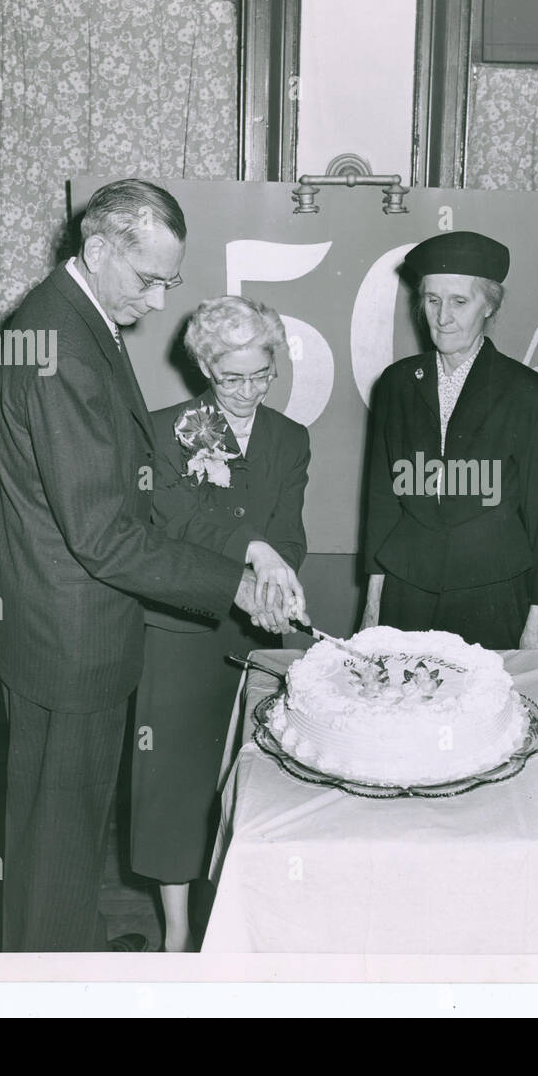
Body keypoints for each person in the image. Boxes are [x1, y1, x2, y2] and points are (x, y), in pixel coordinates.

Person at [0, 179, 306, 952]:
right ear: (98, 251)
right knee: (57, 852)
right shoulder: (61, 346)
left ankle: (65, 956)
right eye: (149, 279)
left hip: (60, 631)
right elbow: (104, 536)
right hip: (73, 642)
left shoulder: (70, 322)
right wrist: (235, 580)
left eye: (170, 281)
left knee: (54, 847)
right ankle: (52, 986)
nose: (160, 301)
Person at [131, 296, 308, 952]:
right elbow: (179, 522)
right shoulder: (166, 429)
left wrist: (277, 577)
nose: (247, 391)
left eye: (261, 374)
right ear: (205, 366)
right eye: (230, 377)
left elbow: (290, 533)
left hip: (258, 629)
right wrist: (254, 555)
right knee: (173, 782)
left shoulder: (291, 439)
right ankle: (177, 930)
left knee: (253, 777)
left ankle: (243, 918)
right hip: (180, 627)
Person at [361, 231, 538, 649]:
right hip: (407, 592)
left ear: (489, 305)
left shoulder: (528, 393)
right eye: (433, 300)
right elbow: (382, 502)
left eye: (459, 301)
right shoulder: (396, 384)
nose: (442, 316)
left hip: (494, 594)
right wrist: (373, 606)